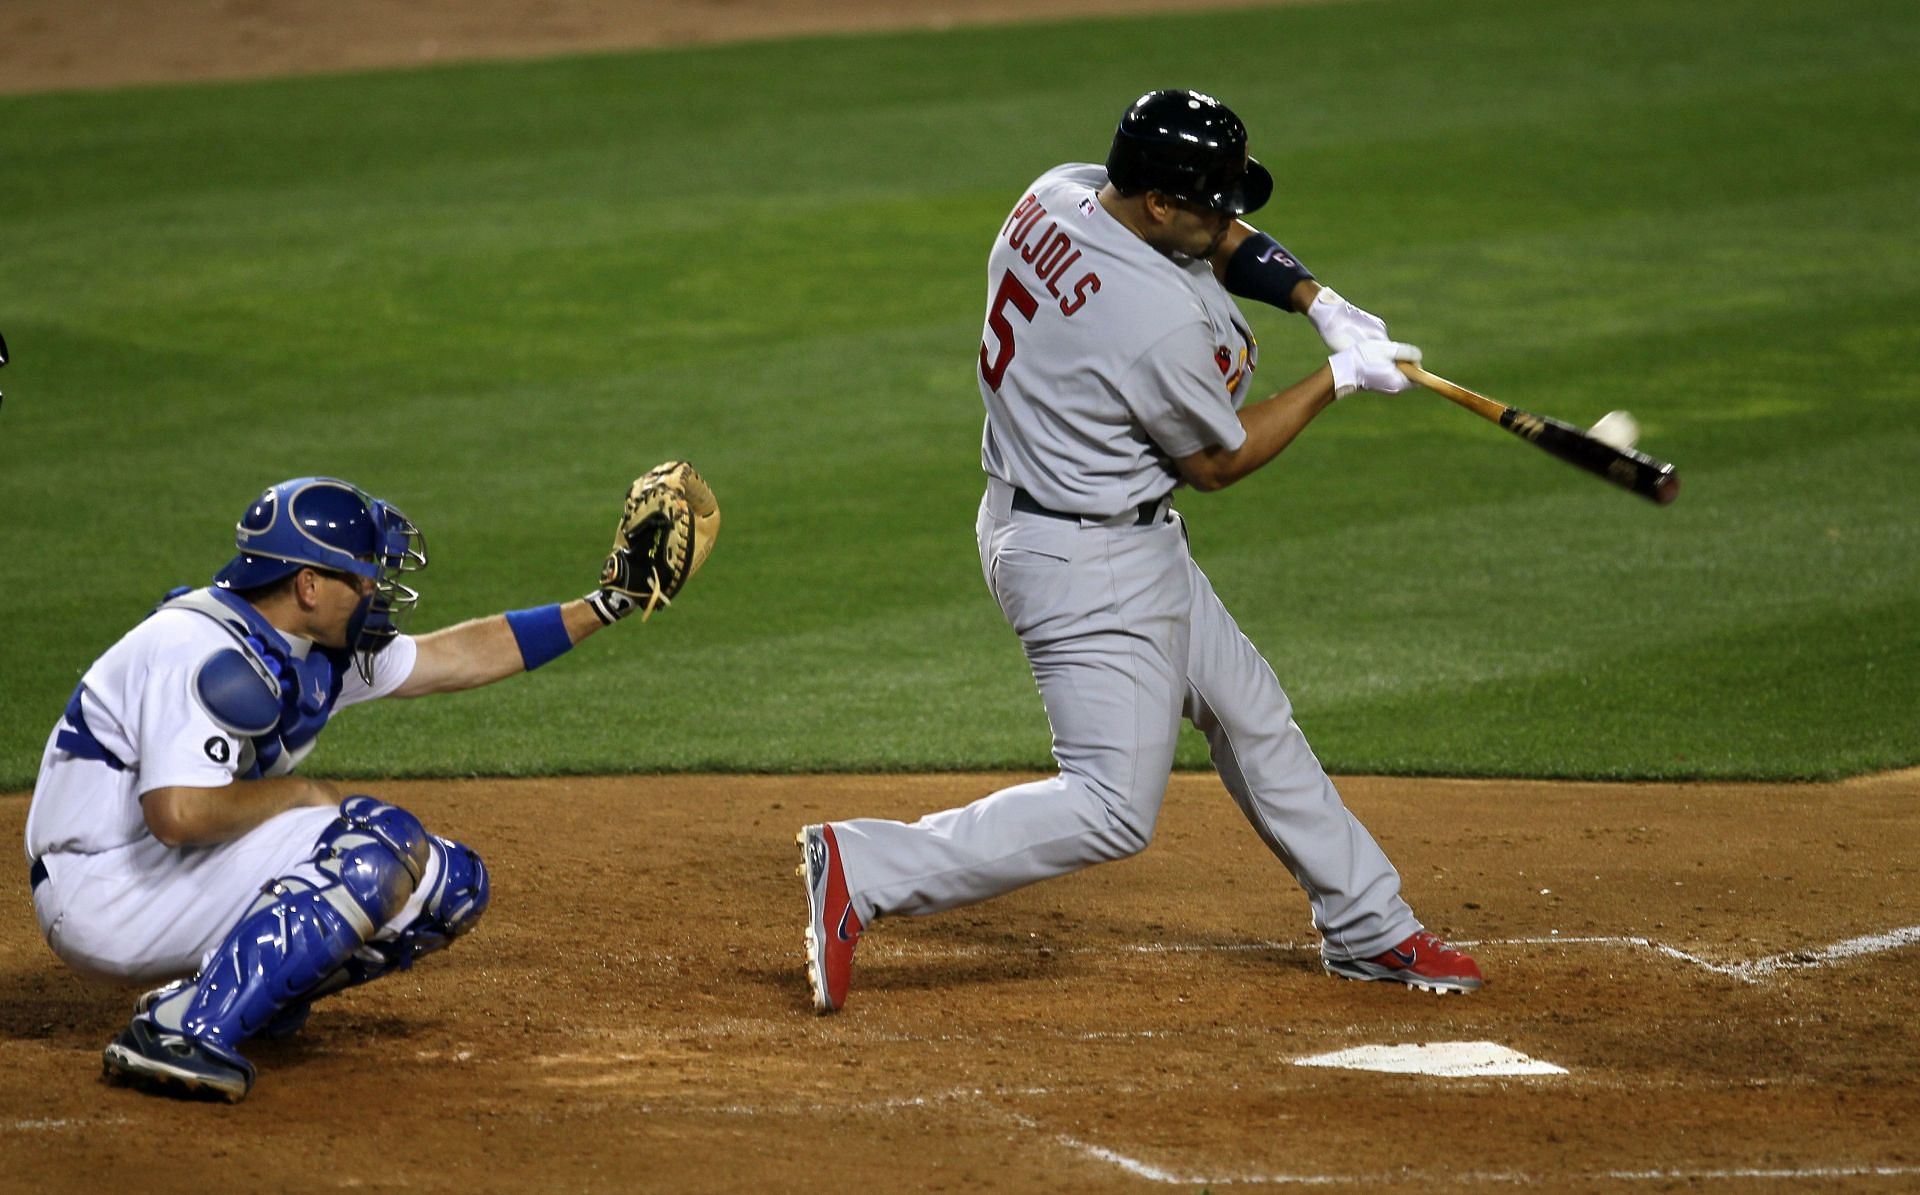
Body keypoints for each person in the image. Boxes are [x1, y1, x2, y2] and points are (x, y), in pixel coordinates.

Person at [797, 89, 1481, 1013]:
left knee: (1250, 714)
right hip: (1086, 563)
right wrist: (1337, 378)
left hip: (1089, 525)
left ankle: (1369, 926)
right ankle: (867, 867)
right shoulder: (1148, 319)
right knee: (1112, 806)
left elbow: (1226, 245)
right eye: (1211, 203)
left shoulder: (1060, 194)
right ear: (1160, 204)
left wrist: (1320, 302)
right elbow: (1217, 459)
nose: (1229, 222)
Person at [27, 468, 714, 1100]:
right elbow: (177, 812)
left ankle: (240, 994)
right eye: (361, 578)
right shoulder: (202, 649)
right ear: (307, 586)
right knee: (375, 844)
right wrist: (300, 795)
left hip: (162, 869)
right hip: (104, 887)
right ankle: (179, 1030)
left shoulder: (305, 642)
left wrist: (607, 603)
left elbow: (457, 655)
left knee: (447, 885)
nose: (375, 592)